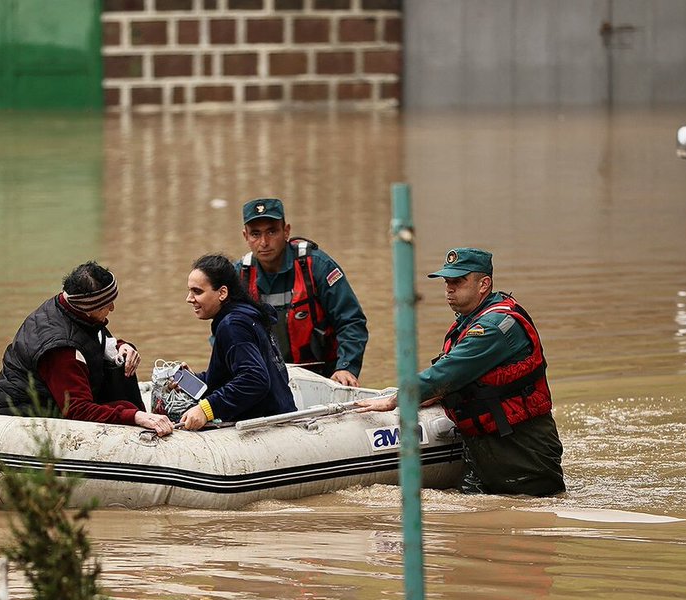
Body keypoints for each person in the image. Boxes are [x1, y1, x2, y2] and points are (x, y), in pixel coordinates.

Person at [356, 248, 565, 496]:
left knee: (528, 515)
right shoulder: (470, 320)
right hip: (483, 444)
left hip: (520, 448)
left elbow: (447, 372)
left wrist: (394, 400)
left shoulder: (492, 328)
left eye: (458, 282)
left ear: (484, 284)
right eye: (447, 282)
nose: (449, 289)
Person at [0, 261, 173, 436]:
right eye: (107, 304)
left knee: (123, 398)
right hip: (22, 417)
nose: (112, 308)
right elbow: (77, 410)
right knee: (125, 408)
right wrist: (136, 417)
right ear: (88, 307)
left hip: (54, 398)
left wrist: (121, 346)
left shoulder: (70, 307)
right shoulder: (60, 350)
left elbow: (93, 336)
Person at [235, 197, 368, 387]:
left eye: (272, 231)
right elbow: (224, 333)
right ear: (245, 236)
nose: (264, 242)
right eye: (255, 234)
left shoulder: (317, 266)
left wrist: (346, 367)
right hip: (264, 380)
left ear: (286, 231)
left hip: (322, 377)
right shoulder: (239, 276)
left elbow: (351, 321)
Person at [177, 253, 297, 431]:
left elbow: (255, 379)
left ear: (222, 293)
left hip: (269, 426)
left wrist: (206, 409)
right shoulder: (246, 315)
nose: (189, 298)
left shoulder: (232, 325)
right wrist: (190, 380)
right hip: (282, 412)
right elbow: (233, 375)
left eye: (197, 291)